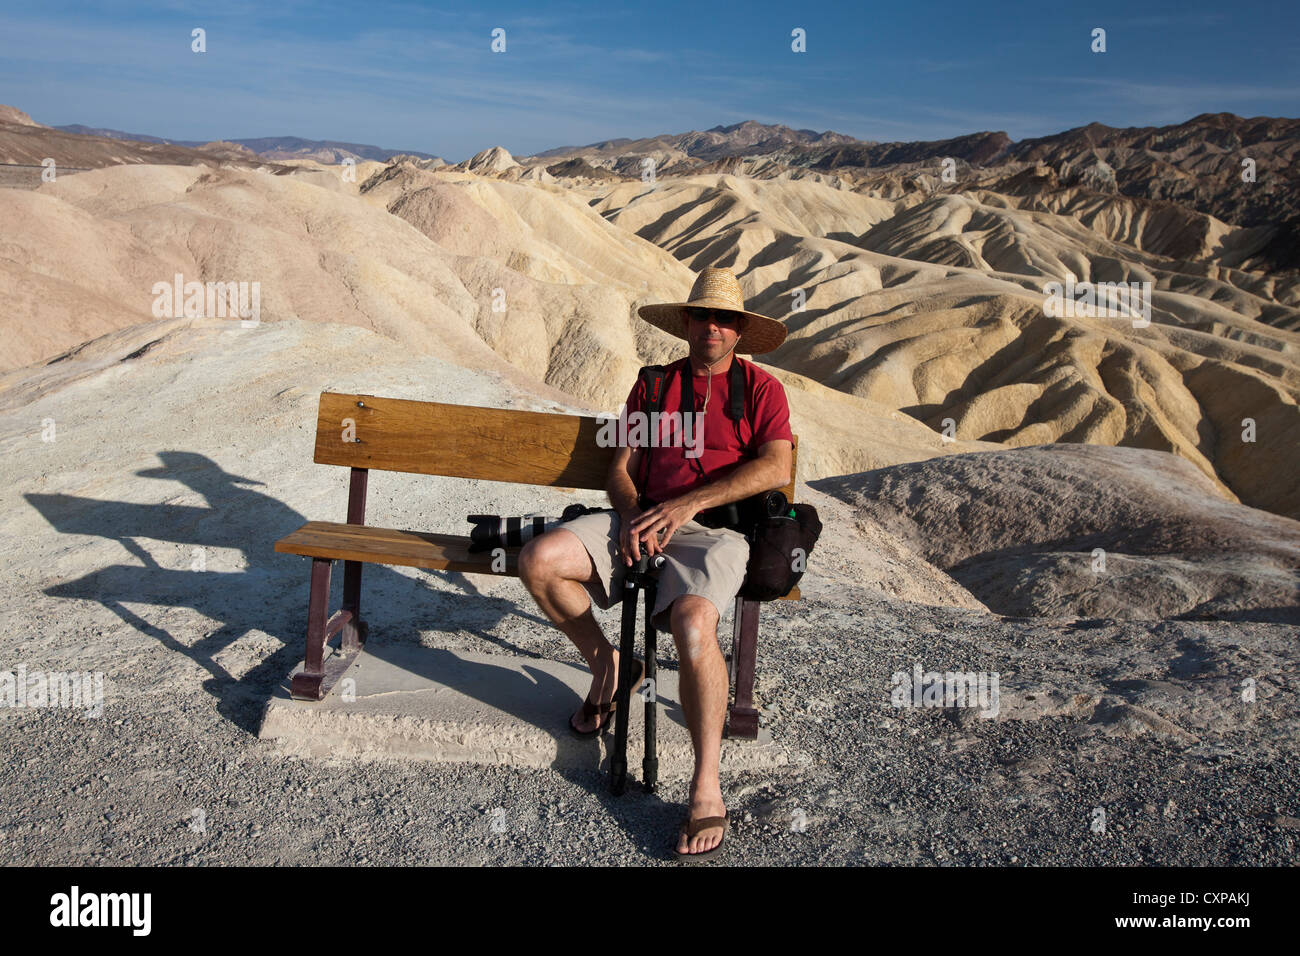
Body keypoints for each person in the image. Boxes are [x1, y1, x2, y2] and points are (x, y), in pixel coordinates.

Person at [517, 267, 793, 859]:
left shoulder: (762, 390)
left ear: (740, 331)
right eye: (703, 317)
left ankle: (705, 783)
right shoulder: (653, 386)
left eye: (725, 320)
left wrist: (687, 505)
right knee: (539, 559)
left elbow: (776, 468)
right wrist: (636, 514)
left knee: (694, 623)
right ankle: (613, 669)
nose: (712, 328)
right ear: (686, 323)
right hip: (640, 518)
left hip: (713, 533)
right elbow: (619, 468)